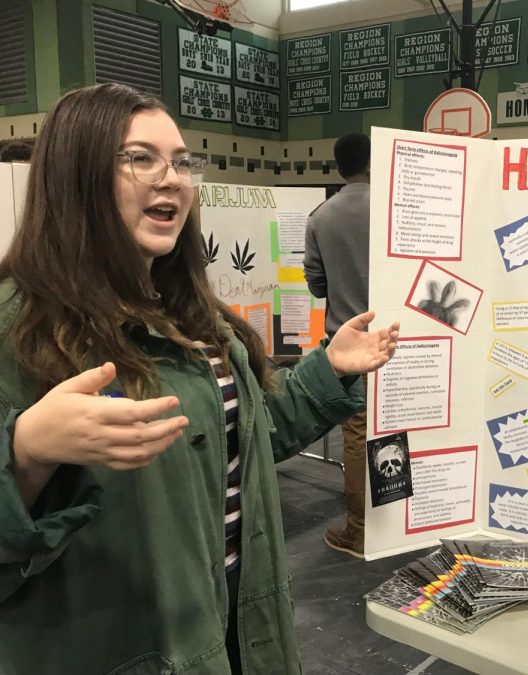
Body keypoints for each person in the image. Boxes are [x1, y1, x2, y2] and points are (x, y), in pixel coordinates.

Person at [0, 84, 399, 674]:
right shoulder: (21, 327)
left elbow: (247, 445)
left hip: (238, 632)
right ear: (75, 174)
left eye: (183, 161)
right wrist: (27, 454)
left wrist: (328, 370)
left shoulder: (193, 318)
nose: (173, 179)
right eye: (141, 158)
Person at [303, 132, 371, 557]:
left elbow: (316, 284)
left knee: (359, 434)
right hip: (408, 340)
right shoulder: (398, 209)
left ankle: (360, 530)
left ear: (339, 168)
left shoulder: (320, 217)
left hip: (350, 345)